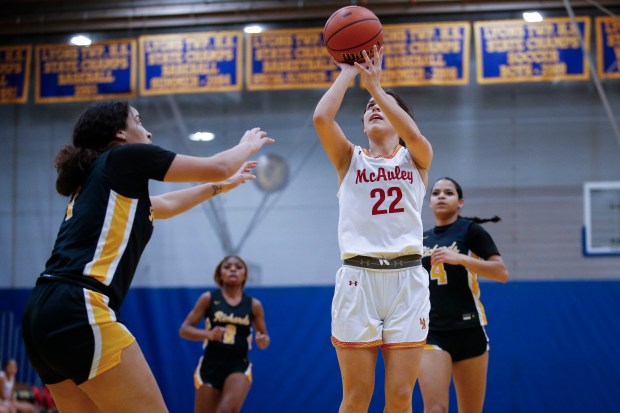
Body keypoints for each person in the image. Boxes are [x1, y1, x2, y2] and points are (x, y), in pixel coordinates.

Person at [20, 101, 274, 413]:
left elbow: (163, 205)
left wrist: (220, 187)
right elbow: (219, 165)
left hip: (40, 314)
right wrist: (246, 146)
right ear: (120, 133)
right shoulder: (123, 156)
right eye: (139, 121)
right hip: (80, 307)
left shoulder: (98, 182)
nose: (148, 130)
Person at [313, 45, 433, 413]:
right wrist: (349, 73)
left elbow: (412, 134)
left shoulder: (417, 157)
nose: (375, 109)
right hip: (358, 279)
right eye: (368, 109)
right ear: (363, 125)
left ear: (401, 120)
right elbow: (321, 118)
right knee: (356, 396)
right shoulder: (349, 158)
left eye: (383, 107)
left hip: (407, 279)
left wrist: (377, 89)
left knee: (399, 395)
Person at [419, 177, 509, 413]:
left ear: (460, 202)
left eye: (448, 193)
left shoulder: (471, 231)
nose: (441, 196)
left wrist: (461, 259)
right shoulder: (419, 238)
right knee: (436, 409)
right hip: (432, 331)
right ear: (429, 202)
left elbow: (501, 273)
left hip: (469, 329)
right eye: (436, 193)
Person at [179, 255, 270, 413]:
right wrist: (208, 334)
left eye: (238, 267)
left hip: (238, 364)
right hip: (210, 364)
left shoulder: (254, 305)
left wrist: (263, 341)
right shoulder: (208, 298)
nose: (233, 269)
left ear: (245, 275)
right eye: (227, 267)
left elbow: (265, 338)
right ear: (220, 274)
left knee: (228, 410)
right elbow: (184, 330)